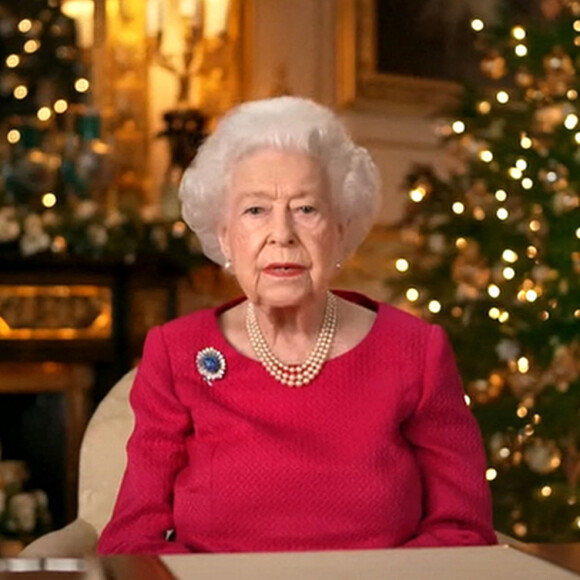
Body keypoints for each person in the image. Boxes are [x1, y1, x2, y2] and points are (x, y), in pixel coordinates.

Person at [97, 96, 496, 554]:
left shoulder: (415, 352)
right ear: (225, 235)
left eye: (306, 209)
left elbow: (461, 530)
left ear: (341, 231)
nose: (282, 233)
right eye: (255, 210)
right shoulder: (176, 352)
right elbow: (132, 539)